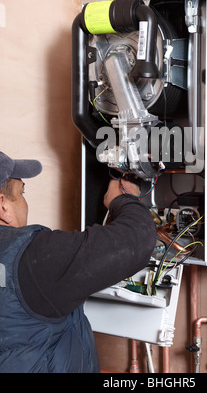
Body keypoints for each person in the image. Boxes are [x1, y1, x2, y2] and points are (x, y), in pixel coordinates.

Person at [0, 150, 156, 373]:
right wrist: (123, 200)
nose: (25, 202)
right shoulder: (29, 257)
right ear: (3, 205)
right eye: (21, 192)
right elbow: (135, 241)